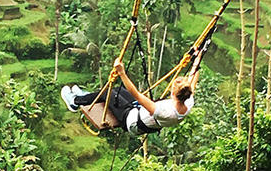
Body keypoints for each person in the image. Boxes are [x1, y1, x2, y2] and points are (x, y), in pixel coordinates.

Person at [61, 58, 199, 135]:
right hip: (138, 111)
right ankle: (86, 97)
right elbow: (193, 78)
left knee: (108, 92)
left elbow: (136, 95)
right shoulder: (188, 103)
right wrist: (197, 58)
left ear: (173, 93)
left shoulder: (164, 112)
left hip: (131, 120)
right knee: (117, 90)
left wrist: (122, 73)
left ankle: (75, 101)